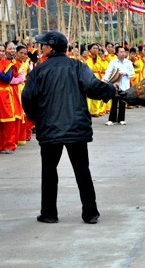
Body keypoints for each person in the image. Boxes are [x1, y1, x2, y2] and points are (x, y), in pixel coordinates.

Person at [22, 31, 115, 224]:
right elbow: (93, 87)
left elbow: (28, 98)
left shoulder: (39, 70)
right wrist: (110, 90)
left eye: (44, 45)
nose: (41, 48)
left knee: (49, 172)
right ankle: (90, 212)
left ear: (51, 48)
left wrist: (36, 117)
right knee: (82, 170)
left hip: (49, 128)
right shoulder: (77, 66)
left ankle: (49, 213)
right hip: (76, 127)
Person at [102, 46, 134, 126]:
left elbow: (132, 73)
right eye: (121, 52)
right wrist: (104, 81)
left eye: (124, 52)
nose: (123, 53)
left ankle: (121, 119)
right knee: (114, 101)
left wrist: (125, 73)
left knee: (122, 102)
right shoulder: (113, 62)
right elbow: (108, 72)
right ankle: (111, 119)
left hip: (125, 84)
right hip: (115, 84)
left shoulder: (128, 62)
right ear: (116, 53)